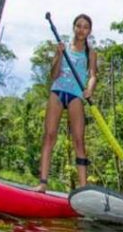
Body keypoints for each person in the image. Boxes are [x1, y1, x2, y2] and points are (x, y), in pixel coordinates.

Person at [34, 14, 97, 192]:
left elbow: (93, 75)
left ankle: (83, 188)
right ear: (74, 27)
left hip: (76, 95)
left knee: (79, 140)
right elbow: (53, 75)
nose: (81, 29)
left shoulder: (90, 53)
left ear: (89, 31)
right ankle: (43, 182)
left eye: (85, 27)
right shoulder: (63, 47)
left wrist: (89, 89)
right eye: (78, 26)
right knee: (49, 135)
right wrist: (59, 55)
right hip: (58, 91)